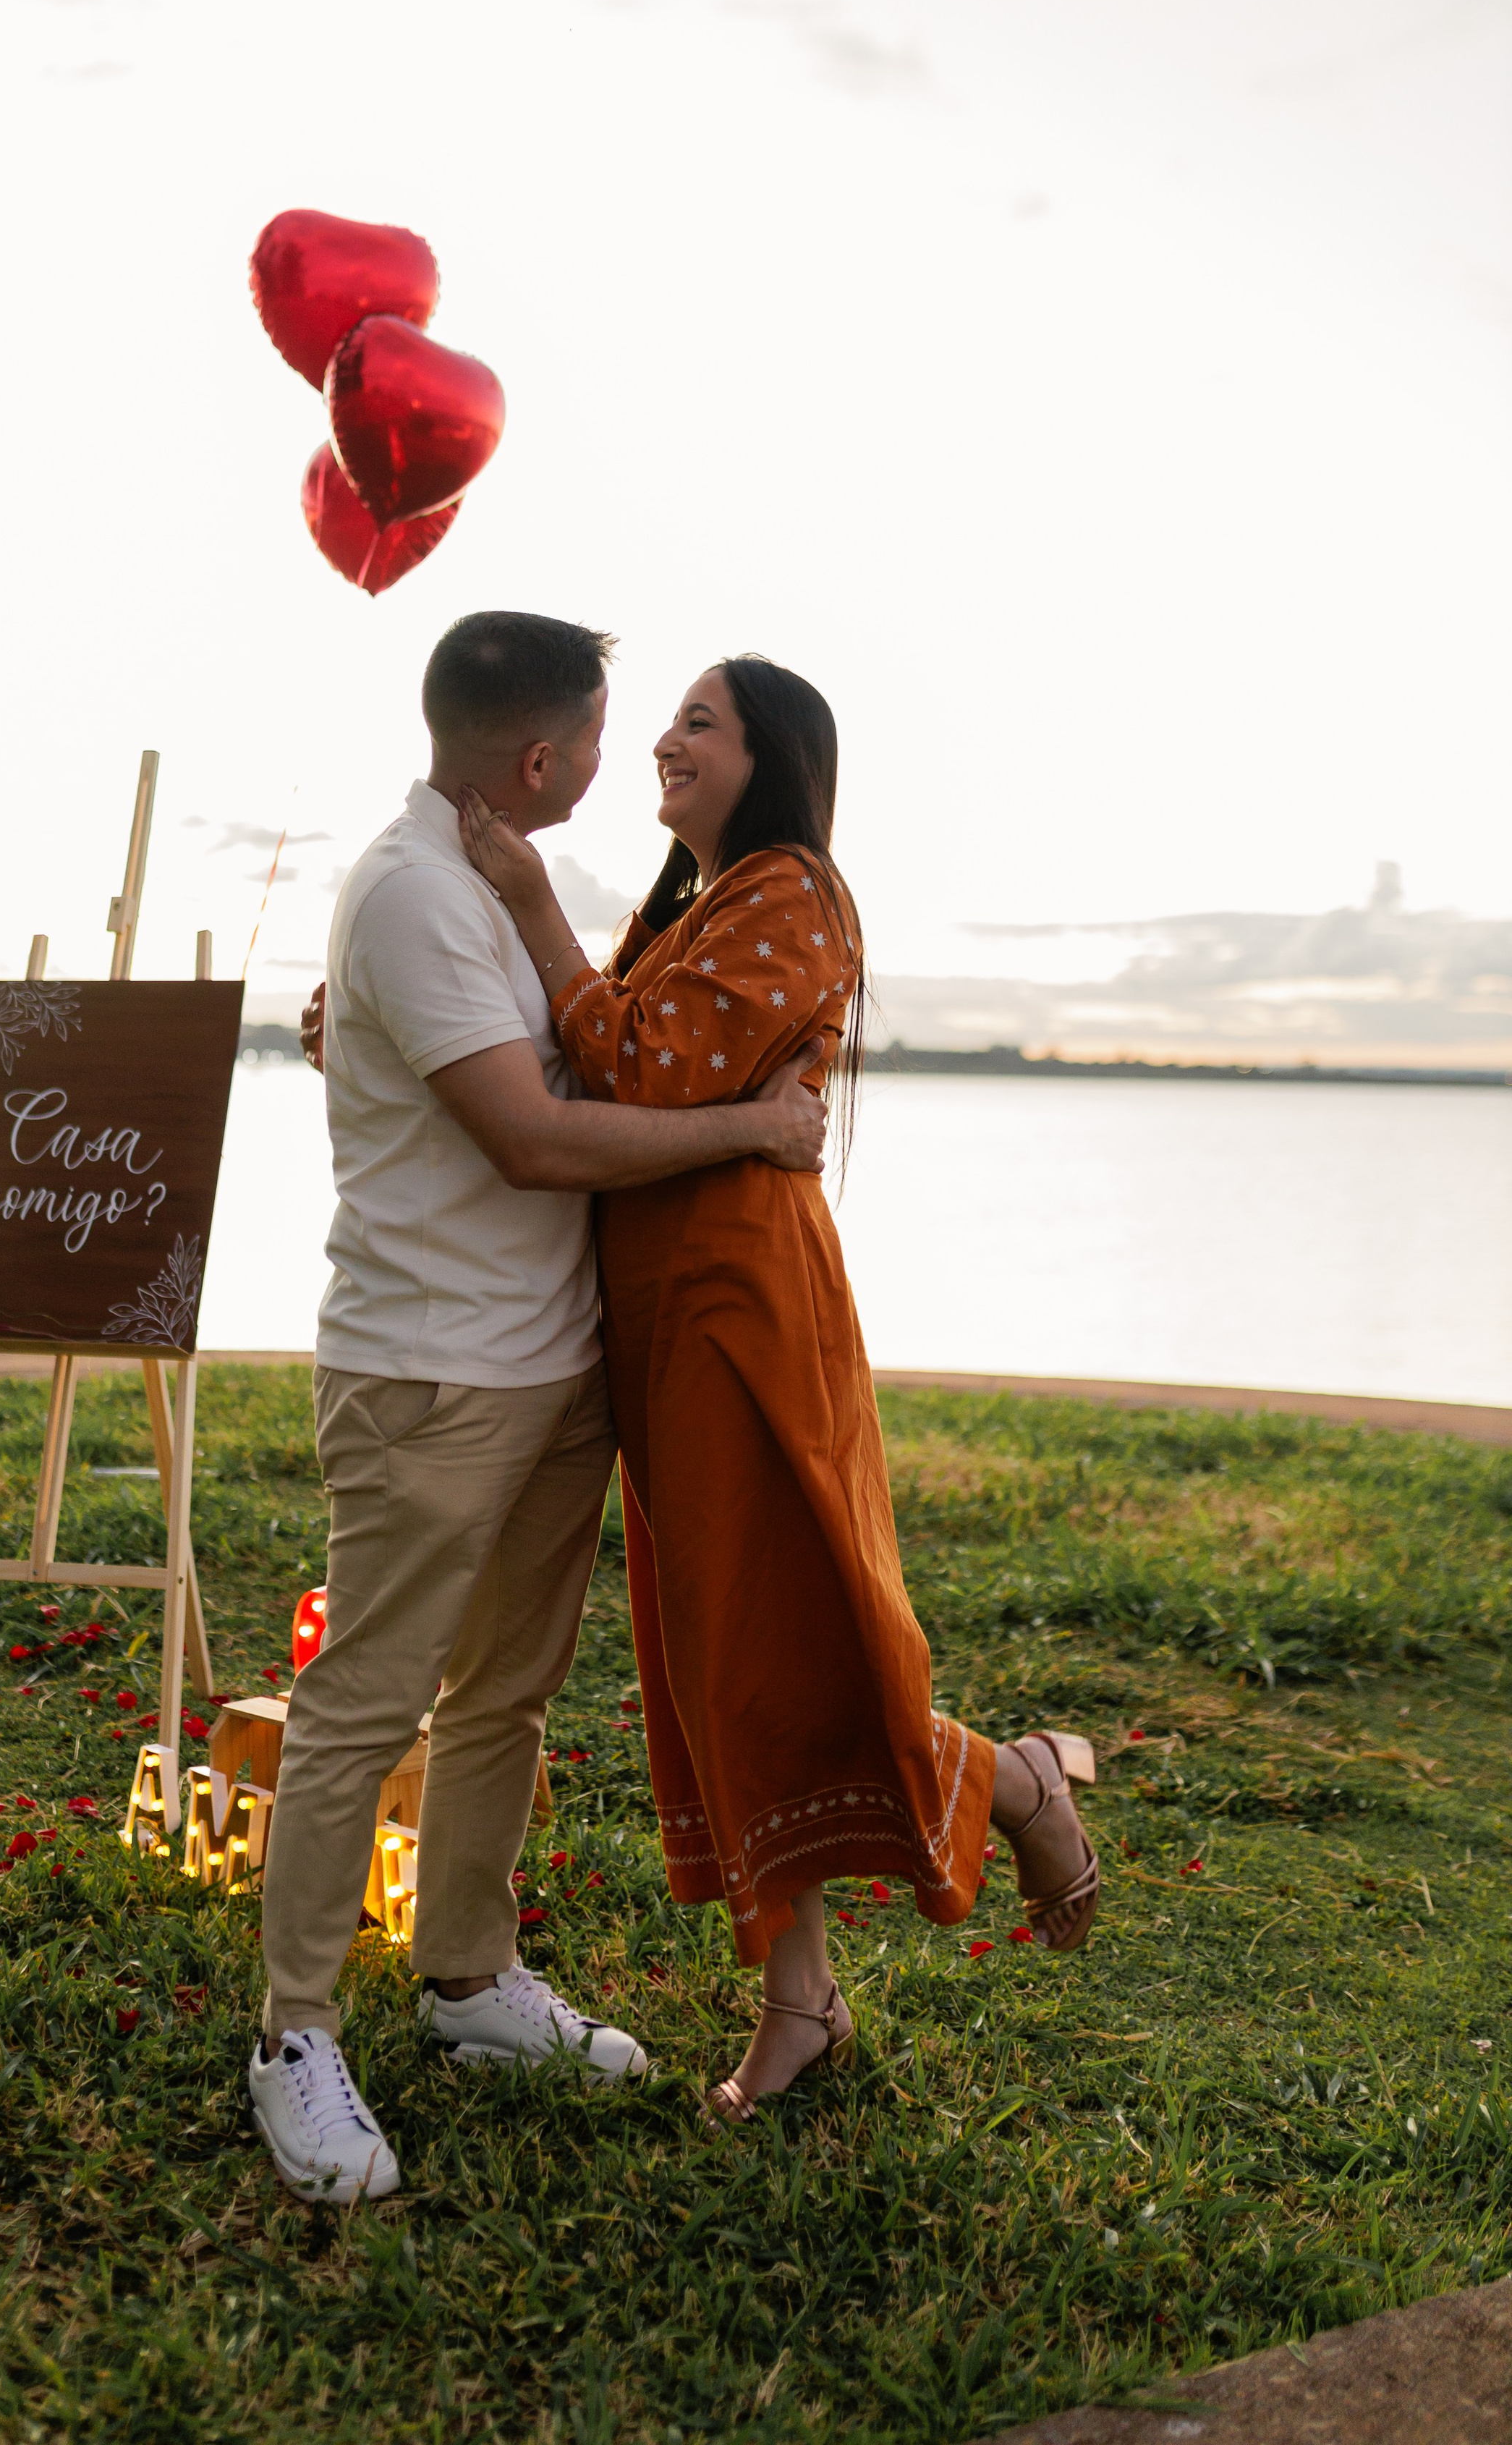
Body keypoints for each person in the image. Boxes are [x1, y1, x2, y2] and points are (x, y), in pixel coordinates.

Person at [458, 655, 1100, 2122]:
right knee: (721, 1660)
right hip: (665, 1311)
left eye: (698, 722)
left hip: (741, 1310)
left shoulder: (791, 893)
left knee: (779, 1639)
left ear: (772, 757)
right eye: (671, 721)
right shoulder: (689, 904)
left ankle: (1005, 1784)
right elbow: (586, 1068)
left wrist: (526, 903)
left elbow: (632, 1065)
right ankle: (799, 1996)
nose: (664, 744)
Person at [250, 614, 829, 2203]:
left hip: (549, 1361)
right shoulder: (421, 891)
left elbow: (596, 1060)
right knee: (365, 1703)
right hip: (434, 1369)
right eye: (599, 728)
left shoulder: (509, 881)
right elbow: (532, 1137)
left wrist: (350, 1039)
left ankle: (464, 1979)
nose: (618, 749)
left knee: (504, 1695)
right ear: (538, 754)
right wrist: (748, 1135)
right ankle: (292, 2036)